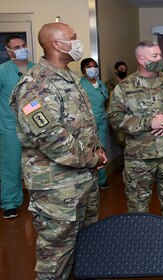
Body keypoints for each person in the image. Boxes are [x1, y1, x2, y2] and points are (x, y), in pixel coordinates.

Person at [10, 22, 107, 279]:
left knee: (86, 248)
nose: (78, 42)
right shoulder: (35, 85)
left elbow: (81, 124)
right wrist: (91, 157)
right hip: (57, 188)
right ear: (56, 44)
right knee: (56, 257)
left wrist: (98, 150)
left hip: (83, 180)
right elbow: (51, 139)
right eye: (73, 38)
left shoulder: (70, 77)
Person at [107, 40, 163, 257]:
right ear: (141, 60)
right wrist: (148, 122)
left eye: (160, 54)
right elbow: (115, 117)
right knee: (137, 204)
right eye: (155, 56)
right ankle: (141, 247)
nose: (160, 59)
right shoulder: (124, 87)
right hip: (138, 157)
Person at [0, 35, 35, 219]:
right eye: (16, 46)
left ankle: (38, 201)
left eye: (23, 45)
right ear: (8, 50)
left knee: (36, 165)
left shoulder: (36, 69)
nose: (22, 49)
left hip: (35, 128)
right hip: (10, 127)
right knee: (10, 166)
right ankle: (9, 203)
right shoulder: (3, 71)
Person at [80, 58, 110, 189]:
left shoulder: (101, 84)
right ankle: (88, 183)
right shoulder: (79, 85)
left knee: (102, 151)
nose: (92, 69)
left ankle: (102, 180)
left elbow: (106, 101)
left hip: (101, 122)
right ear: (83, 70)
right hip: (86, 124)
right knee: (88, 152)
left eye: (94, 66)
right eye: (89, 67)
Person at [105, 61, 128, 147]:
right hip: (117, 117)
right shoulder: (108, 85)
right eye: (121, 69)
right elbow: (107, 102)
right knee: (123, 143)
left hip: (130, 117)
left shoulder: (129, 83)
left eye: (125, 69)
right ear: (115, 71)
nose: (124, 71)